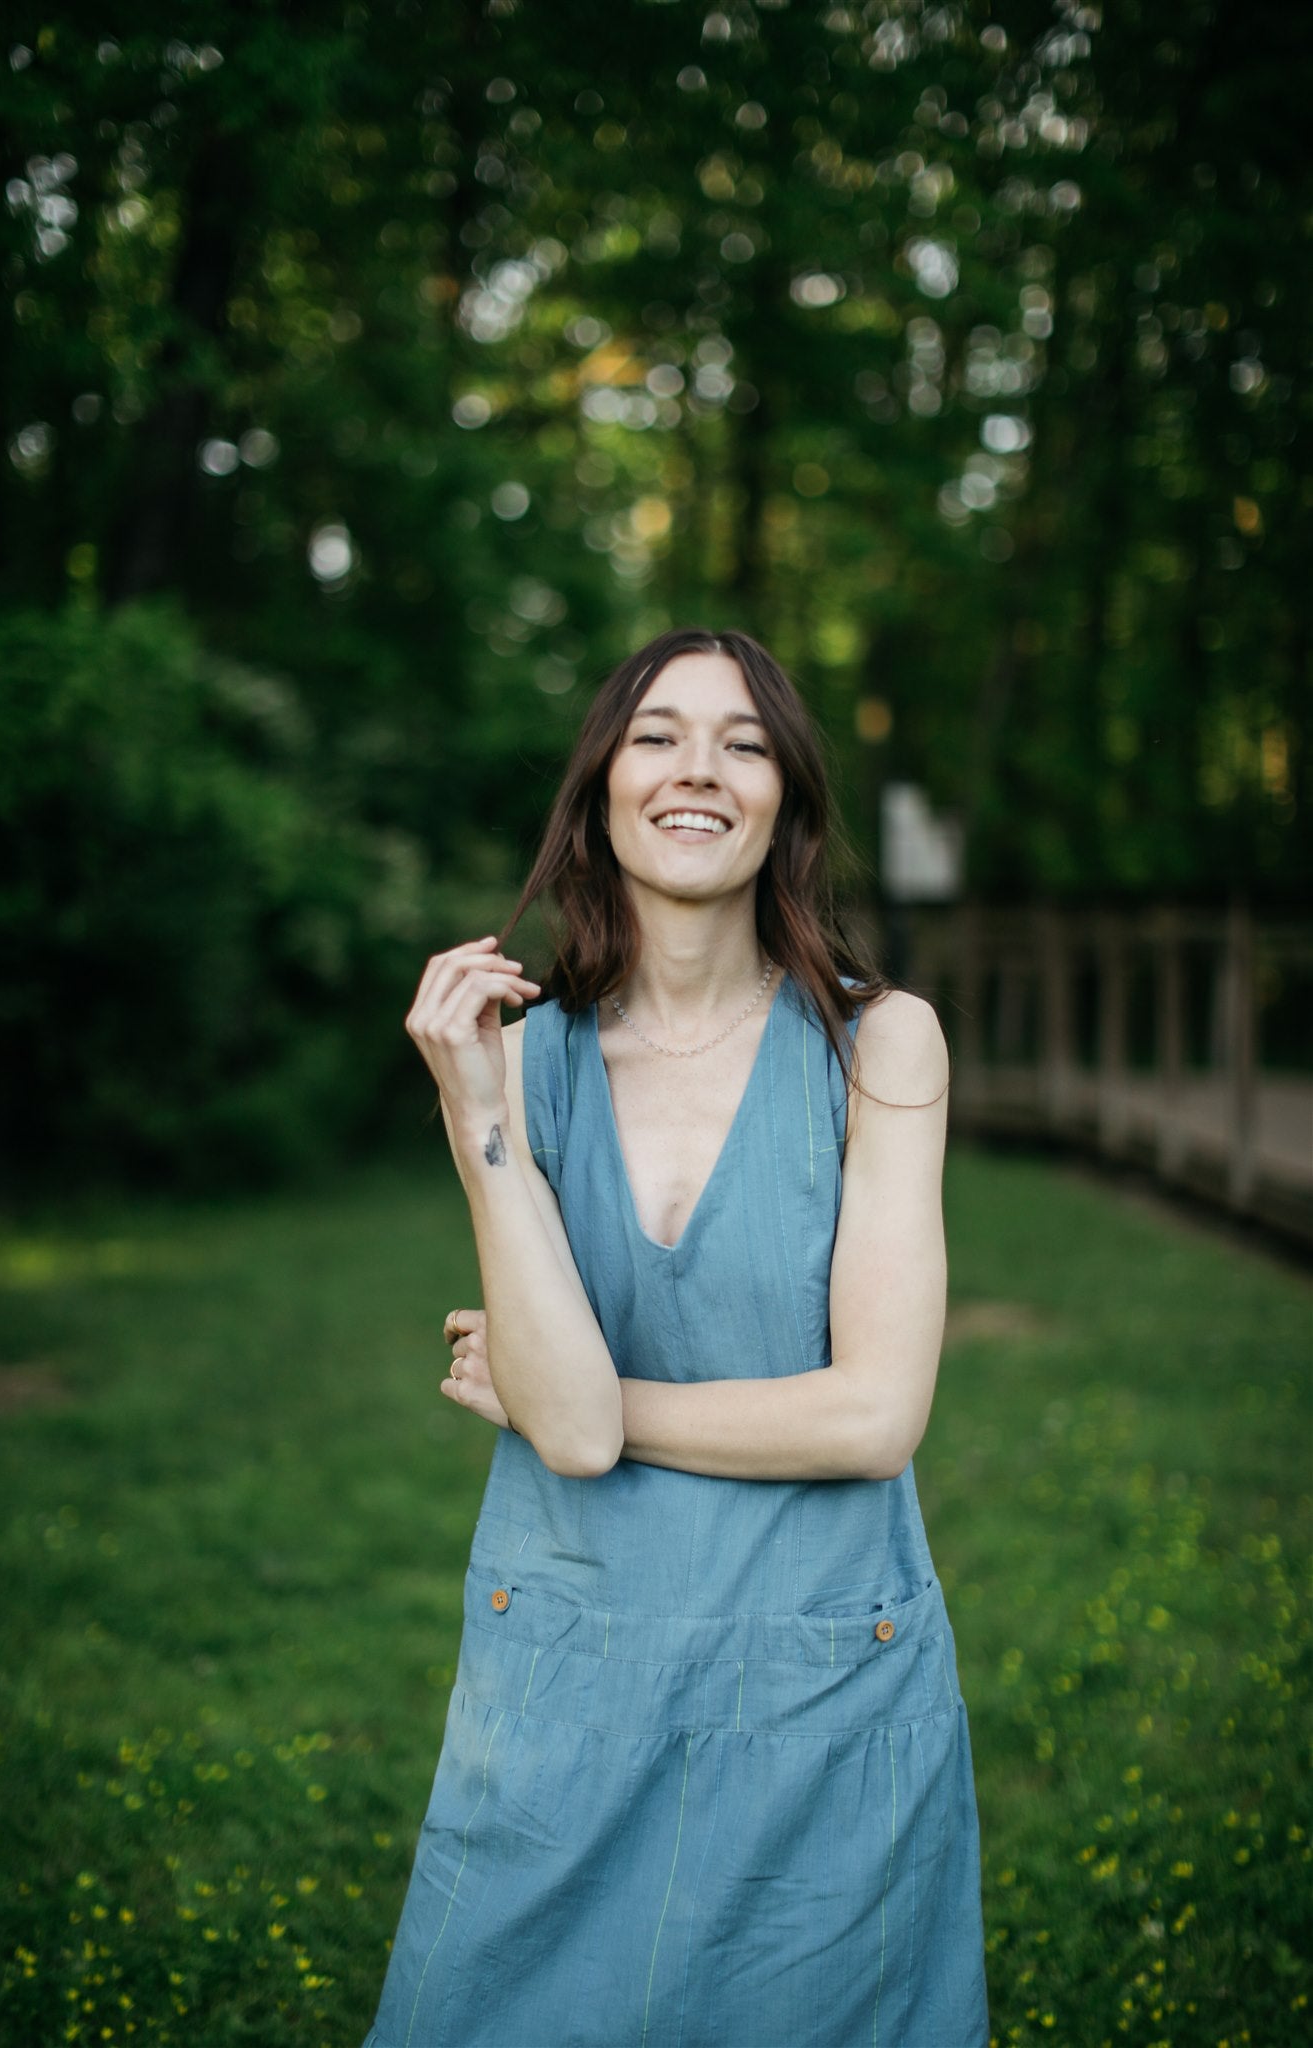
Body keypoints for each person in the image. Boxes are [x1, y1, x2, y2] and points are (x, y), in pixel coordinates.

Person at [362, 627, 988, 2048]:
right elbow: (569, 1436)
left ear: (784, 805)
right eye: (656, 734)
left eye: (743, 742)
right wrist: (475, 1124)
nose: (697, 769)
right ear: (598, 792)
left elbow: (872, 1417)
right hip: (567, 1673)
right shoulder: (522, 1063)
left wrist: (554, 1397)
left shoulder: (881, 1046)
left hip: (822, 1682)